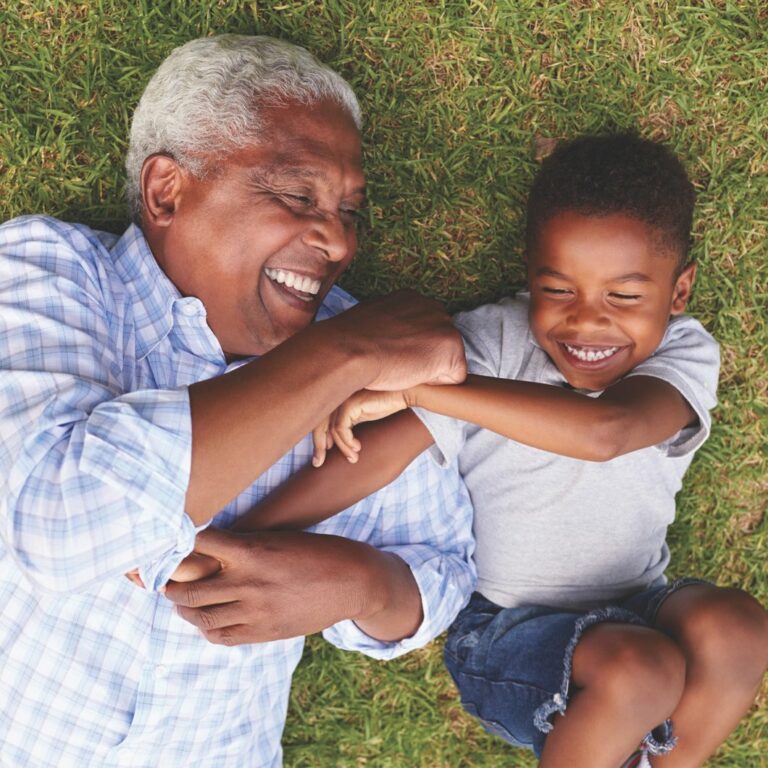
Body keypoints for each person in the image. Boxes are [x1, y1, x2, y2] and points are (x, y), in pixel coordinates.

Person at [176, 135, 768, 768]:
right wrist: (236, 535)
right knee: (640, 670)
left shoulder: (683, 352)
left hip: (641, 598)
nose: (586, 323)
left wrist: (422, 388)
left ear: (678, 294)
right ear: (530, 274)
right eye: (558, 290)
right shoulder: (491, 341)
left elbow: (609, 433)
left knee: (738, 629)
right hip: (507, 632)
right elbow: (379, 456)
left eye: (624, 297)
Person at [0, 35, 477, 766]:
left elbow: (440, 572)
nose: (339, 241)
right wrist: (339, 355)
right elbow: (60, 524)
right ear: (167, 191)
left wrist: (359, 584)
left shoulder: (370, 360)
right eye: (297, 195)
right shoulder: (49, 271)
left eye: (349, 211)